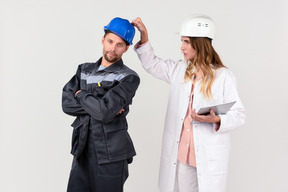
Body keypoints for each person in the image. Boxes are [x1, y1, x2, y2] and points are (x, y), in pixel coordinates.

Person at [132, 15, 245, 192]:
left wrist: (215, 120)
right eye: (182, 41)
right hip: (183, 157)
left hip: (208, 156)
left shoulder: (223, 76)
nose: (181, 46)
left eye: (186, 42)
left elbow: (238, 115)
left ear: (199, 44)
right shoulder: (179, 70)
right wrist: (144, 36)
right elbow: (152, 64)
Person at [62, 17, 140, 192]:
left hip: (111, 155)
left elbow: (104, 113)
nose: (113, 48)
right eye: (110, 41)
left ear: (126, 48)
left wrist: (81, 94)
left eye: (119, 44)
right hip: (82, 150)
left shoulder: (129, 77)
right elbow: (67, 104)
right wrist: (101, 106)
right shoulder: (84, 70)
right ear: (103, 40)